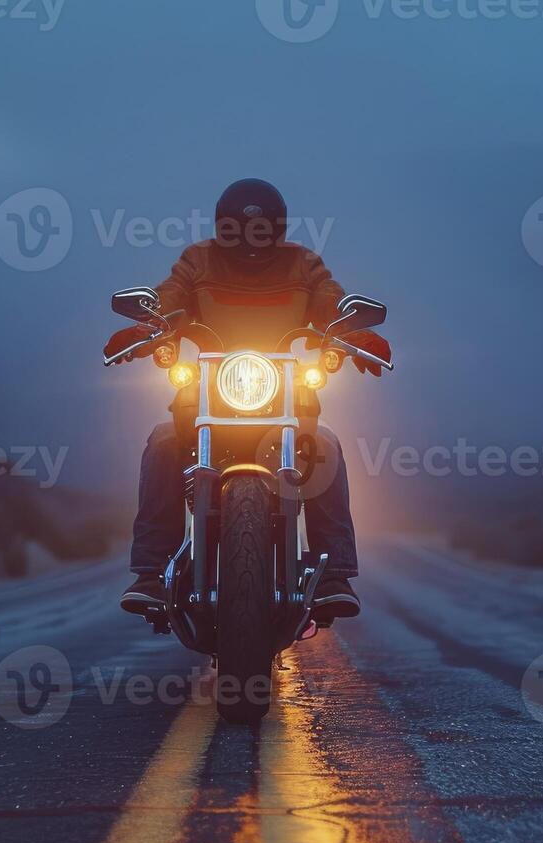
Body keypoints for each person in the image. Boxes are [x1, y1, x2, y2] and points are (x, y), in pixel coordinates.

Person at [104, 178, 391, 621]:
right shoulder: (198, 260)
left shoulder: (303, 263)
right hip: (208, 388)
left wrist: (352, 332)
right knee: (163, 442)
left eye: (261, 229)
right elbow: (170, 298)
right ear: (221, 226)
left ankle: (334, 573)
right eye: (236, 228)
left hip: (285, 388)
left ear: (279, 228)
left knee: (326, 446)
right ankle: (151, 571)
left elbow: (330, 302)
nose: (249, 238)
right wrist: (148, 325)